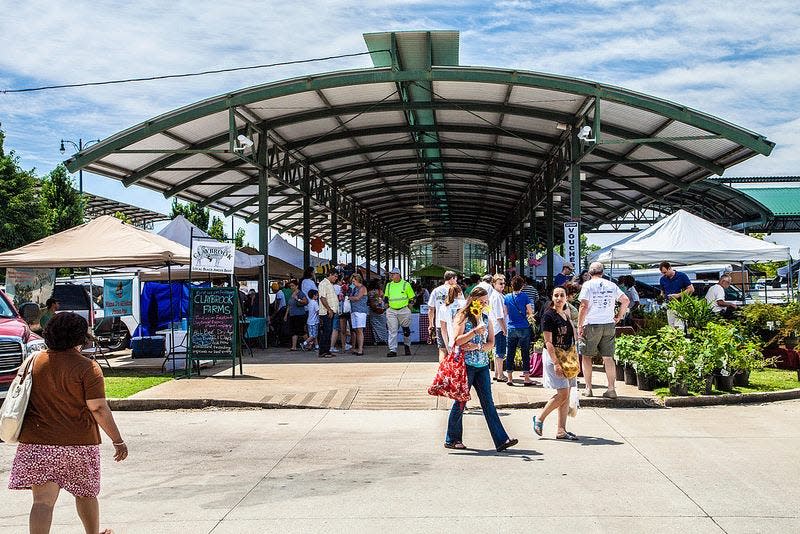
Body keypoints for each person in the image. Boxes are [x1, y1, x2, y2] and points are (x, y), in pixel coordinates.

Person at [8, 312, 127, 534]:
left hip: (37, 443)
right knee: (86, 494)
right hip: (79, 444)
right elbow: (98, 408)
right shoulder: (87, 368)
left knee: (42, 502)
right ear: (80, 338)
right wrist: (117, 440)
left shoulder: (34, 361)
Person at [444, 286, 519, 452]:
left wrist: (478, 345)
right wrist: (474, 332)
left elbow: (491, 342)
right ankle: (452, 438)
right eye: (481, 302)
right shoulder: (463, 316)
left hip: (482, 365)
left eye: (486, 302)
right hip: (466, 365)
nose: (484, 304)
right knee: (461, 401)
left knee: (488, 403)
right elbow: (456, 340)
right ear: (473, 300)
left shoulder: (486, 318)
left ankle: (501, 439)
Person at [533, 286, 580, 440]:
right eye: (556, 295)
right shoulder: (548, 316)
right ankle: (540, 418)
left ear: (567, 297)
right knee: (563, 393)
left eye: (562, 295)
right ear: (552, 298)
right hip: (555, 357)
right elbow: (548, 342)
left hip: (568, 357)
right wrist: (556, 363)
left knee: (566, 394)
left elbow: (572, 337)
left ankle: (561, 430)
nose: (559, 298)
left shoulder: (565, 314)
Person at [577, 262, 629, 399]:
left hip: (592, 324)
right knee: (608, 358)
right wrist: (619, 316)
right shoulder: (611, 285)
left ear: (589, 272)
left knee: (587, 356)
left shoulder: (587, 285)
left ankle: (588, 388)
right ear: (602, 272)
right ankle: (611, 389)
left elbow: (583, 306)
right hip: (608, 324)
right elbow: (625, 300)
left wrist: (579, 325)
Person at [504, 275, 536, 386]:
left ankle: (510, 378)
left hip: (511, 327)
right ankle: (526, 378)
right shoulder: (525, 296)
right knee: (525, 352)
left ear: (511, 286)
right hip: (523, 327)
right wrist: (527, 314)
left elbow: (506, 312)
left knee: (510, 352)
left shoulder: (507, 297)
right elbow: (530, 311)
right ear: (522, 286)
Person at [384, 267, 415, 358]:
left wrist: (410, 308)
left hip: (404, 309)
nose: (391, 276)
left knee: (406, 330)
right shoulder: (389, 285)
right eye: (391, 274)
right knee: (392, 330)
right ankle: (392, 350)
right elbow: (386, 297)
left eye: (393, 274)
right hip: (392, 310)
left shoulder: (406, 284)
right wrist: (386, 306)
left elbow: (412, 298)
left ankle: (407, 346)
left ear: (398, 274)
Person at [427, 271, 459, 361]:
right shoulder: (456, 289)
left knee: (442, 350)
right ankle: (454, 372)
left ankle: (443, 372)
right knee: (455, 349)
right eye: (456, 279)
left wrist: (430, 324)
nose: (456, 281)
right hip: (454, 325)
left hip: (440, 323)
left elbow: (431, 309)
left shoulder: (436, 290)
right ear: (452, 278)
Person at [658, 261, 694, 328]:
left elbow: (691, 289)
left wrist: (678, 295)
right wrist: (661, 297)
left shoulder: (682, 276)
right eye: (662, 273)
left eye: (665, 272)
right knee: (671, 327)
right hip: (670, 306)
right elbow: (662, 292)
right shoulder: (662, 279)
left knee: (680, 327)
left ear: (669, 268)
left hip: (681, 306)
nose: (664, 274)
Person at [489, 274, 508, 383]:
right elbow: (499, 316)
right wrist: (504, 329)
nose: (502, 285)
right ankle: (500, 374)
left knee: (497, 351)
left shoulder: (497, 295)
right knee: (500, 351)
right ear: (494, 284)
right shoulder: (496, 296)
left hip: (496, 327)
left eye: (503, 283)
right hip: (499, 327)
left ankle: (497, 373)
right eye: (500, 283)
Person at [317, 270, 340, 358]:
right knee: (326, 332)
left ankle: (327, 350)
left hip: (331, 311)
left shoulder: (330, 284)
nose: (336, 278)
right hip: (326, 312)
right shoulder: (323, 284)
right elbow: (322, 297)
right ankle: (323, 351)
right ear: (330, 275)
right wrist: (329, 309)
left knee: (329, 331)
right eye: (335, 276)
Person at [283, 279, 308, 351]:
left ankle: (309, 343)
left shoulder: (300, 293)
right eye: (290, 286)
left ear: (297, 286)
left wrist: (297, 299)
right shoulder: (292, 294)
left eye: (293, 286)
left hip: (299, 314)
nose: (291, 287)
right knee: (293, 331)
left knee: (301, 331)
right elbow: (289, 305)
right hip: (292, 315)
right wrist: (286, 315)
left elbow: (305, 301)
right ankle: (294, 346)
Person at [438, 284, 465, 349]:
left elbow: (443, 330)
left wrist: (447, 347)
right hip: (466, 340)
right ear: (460, 293)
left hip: (452, 342)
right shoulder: (466, 304)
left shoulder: (443, 307)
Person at [348, 274, 368, 355]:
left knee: (359, 330)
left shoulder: (362, 288)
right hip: (354, 310)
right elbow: (348, 291)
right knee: (356, 330)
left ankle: (360, 349)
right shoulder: (353, 287)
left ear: (358, 280)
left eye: (353, 281)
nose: (352, 283)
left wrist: (348, 298)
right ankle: (357, 348)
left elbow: (357, 298)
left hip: (360, 311)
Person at [367, 280, 388, 345]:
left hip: (374, 311)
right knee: (383, 326)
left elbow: (371, 302)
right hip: (382, 310)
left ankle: (378, 340)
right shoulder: (381, 292)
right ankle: (384, 339)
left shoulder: (370, 292)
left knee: (375, 326)